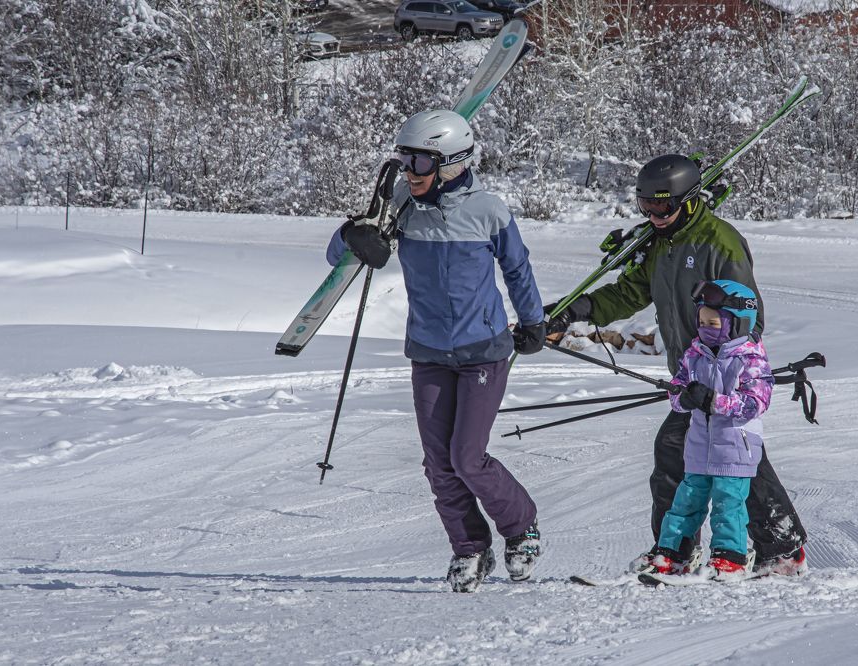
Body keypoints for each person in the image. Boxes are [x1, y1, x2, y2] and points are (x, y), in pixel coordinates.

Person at [546, 154, 808, 577]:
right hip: (691, 377)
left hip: (720, 377)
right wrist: (576, 310)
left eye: (662, 207)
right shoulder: (660, 245)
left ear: (688, 202)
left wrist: (724, 373)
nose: (654, 215)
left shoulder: (720, 242)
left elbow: (750, 316)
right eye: (645, 207)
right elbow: (630, 294)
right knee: (720, 459)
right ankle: (730, 549)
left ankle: (695, 552)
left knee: (709, 457)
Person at [325, 109, 546, 593]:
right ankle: (470, 548)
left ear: (451, 163)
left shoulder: (489, 210)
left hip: (483, 350)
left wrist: (534, 323)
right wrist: (352, 234)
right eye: (403, 159)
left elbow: (518, 270)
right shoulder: (401, 204)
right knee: (437, 463)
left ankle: (520, 528)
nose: (408, 171)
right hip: (427, 352)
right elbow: (336, 256)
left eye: (420, 162)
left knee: (468, 458)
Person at [651, 279, 773, 581]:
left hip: (735, 446)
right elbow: (677, 393)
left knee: (727, 503)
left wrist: (714, 401)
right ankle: (673, 554)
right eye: (702, 321)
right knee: (686, 500)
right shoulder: (696, 353)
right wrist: (684, 395)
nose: (705, 327)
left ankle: (730, 557)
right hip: (699, 445)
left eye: (713, 321)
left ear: (736, 322)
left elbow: (755, 402)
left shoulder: (750, 357)